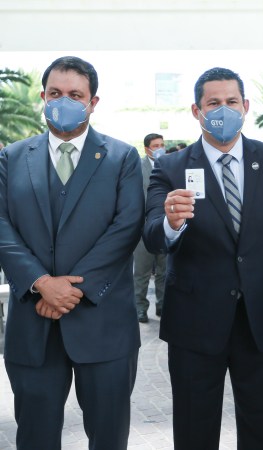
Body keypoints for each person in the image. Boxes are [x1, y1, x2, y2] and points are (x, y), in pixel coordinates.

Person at [143, 67, 263, 450]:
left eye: (231, 102)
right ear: (196, 111)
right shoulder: (170, 167)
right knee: (194, 428)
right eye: (213, 102)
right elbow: (152, 236)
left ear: (245, 106)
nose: (223, 109)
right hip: (194, 323)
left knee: (261, 424)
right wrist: (170, 222)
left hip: (260, 318)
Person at [0, 56, 144, 450]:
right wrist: (41, 282)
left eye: (75, 95)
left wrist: (72, 289)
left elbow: (126, 227)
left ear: (93, 102)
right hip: (34, 324)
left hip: (104, 325)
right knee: (35, 437)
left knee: (109, 436)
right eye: (55, 93)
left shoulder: (121, 157)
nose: (64, 101)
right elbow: (2, 226)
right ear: (43, 98)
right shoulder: (12, 158)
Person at [133, 133, 167, 322]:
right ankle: (140, 307)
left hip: (165, 226)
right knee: (142, 271)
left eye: (162, 144)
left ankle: (163, 305)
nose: (160, 148)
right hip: (143, 227)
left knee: (164, 270)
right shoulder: (137, 167)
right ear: (147, 149)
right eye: (156, 146)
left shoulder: (170, 165)